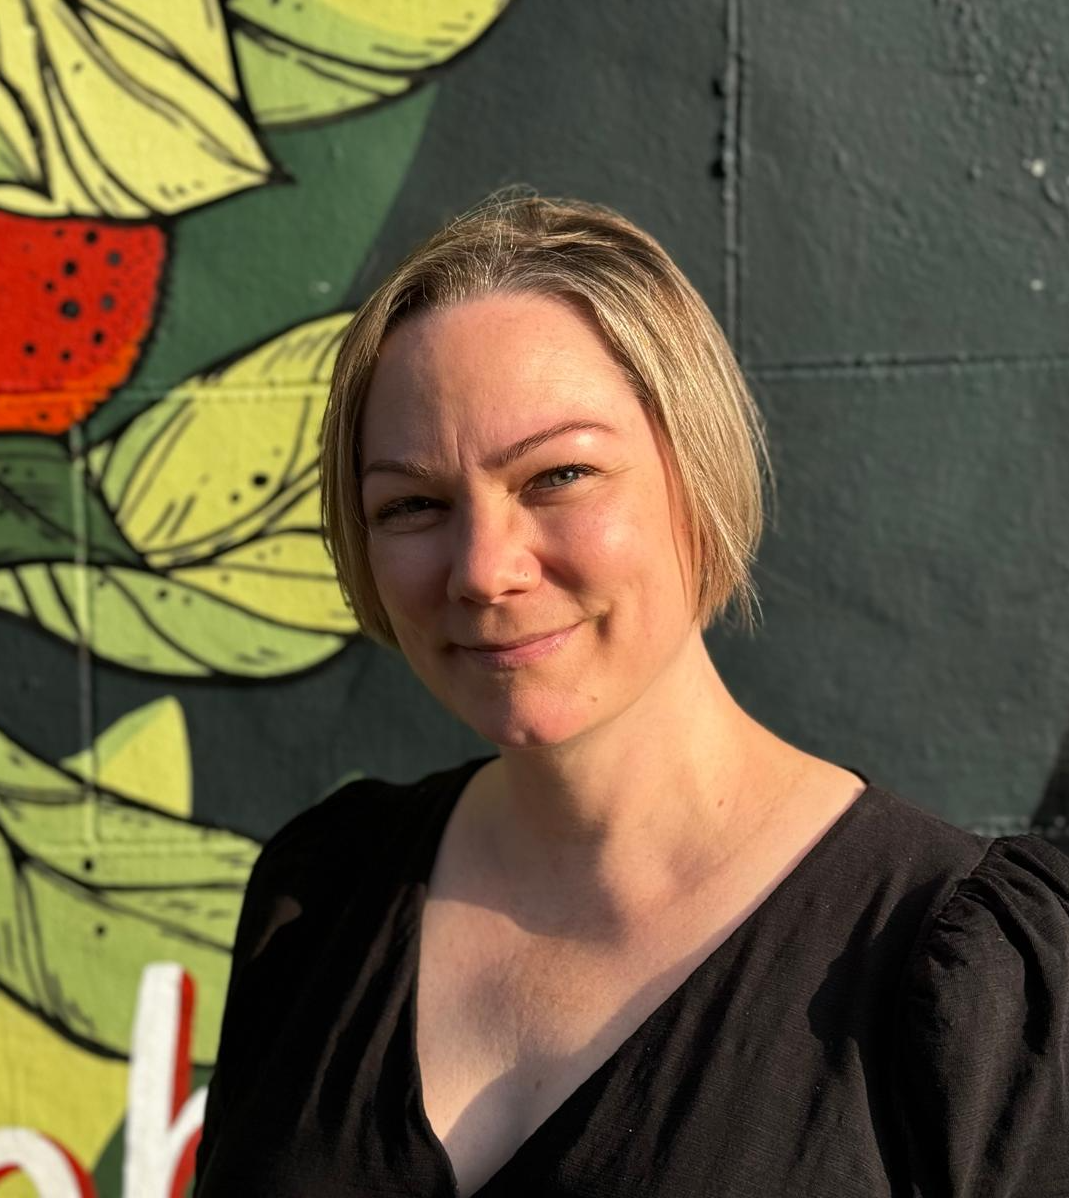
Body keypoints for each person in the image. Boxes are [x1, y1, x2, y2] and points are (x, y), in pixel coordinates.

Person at [192, 193, 1069, 1197]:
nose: (482, 569)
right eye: (413, 504)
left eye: (558, 474)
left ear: (694, 478)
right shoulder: (320, 900)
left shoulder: (959, 965)